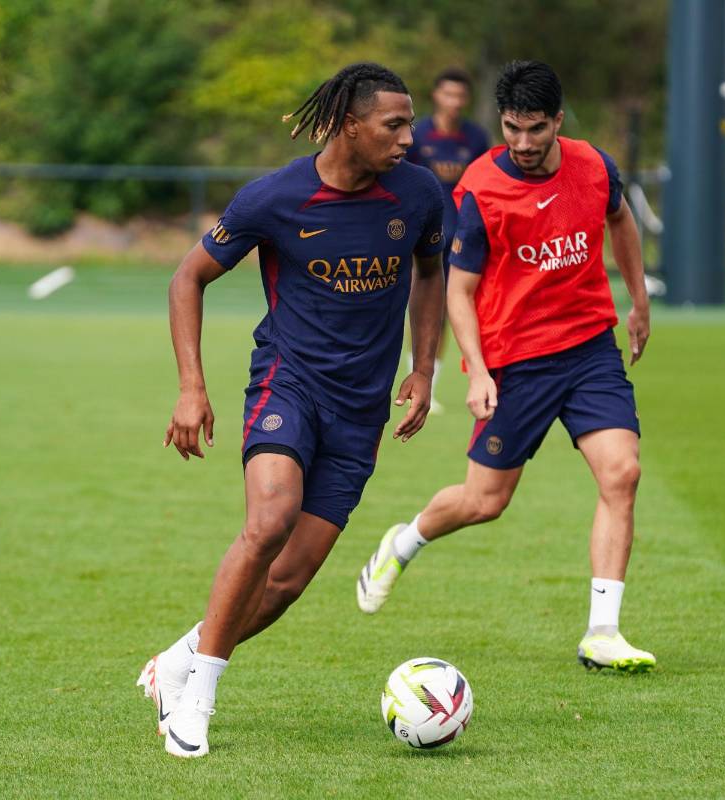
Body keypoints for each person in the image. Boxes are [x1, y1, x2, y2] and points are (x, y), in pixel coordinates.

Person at [137, 63, 446, 758]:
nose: (409, 137)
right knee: (270, 521)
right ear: (350, 126)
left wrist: (424, 367)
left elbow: (431, 274)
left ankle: (181, 659)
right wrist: (191, 387)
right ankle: (196, 705)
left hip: (361, 411)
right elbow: (188, 277)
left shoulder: (420, 194)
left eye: (410, 123)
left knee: (286, 581)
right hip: (289, 385)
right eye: (394, 125)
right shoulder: (275, 197)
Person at [356, 60, 656, 673]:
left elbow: (620, 219)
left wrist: (638, 301)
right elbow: (459, 290)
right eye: (512, 128)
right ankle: (404, 541)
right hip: (515, 360)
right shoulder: (482, 188)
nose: (522, 142)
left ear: (558, 121)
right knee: (485, 501)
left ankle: (602, 632)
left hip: (589, 349)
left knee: (621, 473)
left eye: (535, 129)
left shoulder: (594, 167)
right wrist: (478, 370)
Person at [405, 68, 490, 411]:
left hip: (464, 237)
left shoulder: (476, 139)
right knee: (420, 306)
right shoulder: (416, 135)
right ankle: (411, 377)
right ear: (436, 95)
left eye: (460, 96)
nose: (454, 102)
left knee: (456, 309)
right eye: (448, 94)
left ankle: (435, 383)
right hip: (422, 237)